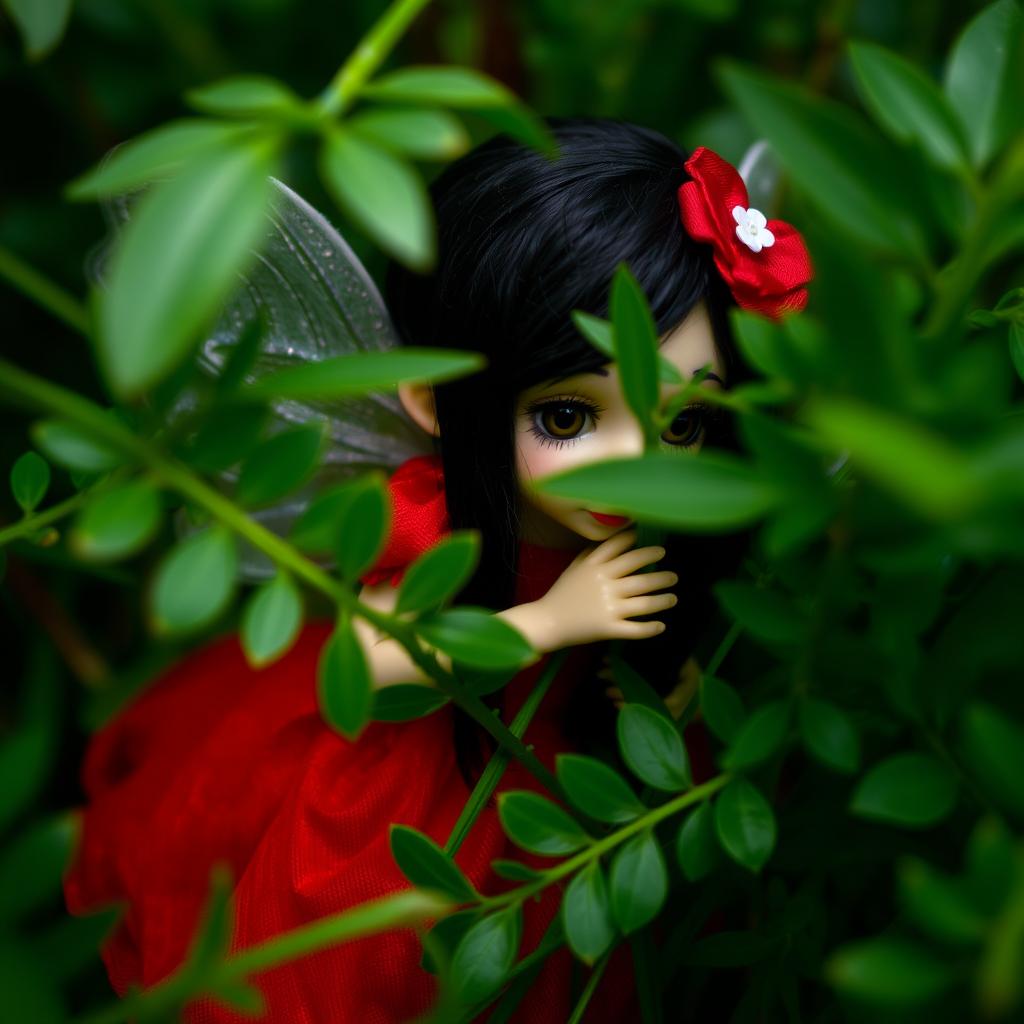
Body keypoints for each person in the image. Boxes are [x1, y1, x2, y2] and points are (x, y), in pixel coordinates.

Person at [63, 116, 811, 1022]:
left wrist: (662, 683)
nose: (632, 460)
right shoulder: (435, 519)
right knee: (370, 971)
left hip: (563, 781)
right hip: (412, 786)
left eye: (682, 424)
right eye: (569, 418)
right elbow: (366, 663)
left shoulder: (648, 525)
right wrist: (551, 622)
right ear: (433, 398)